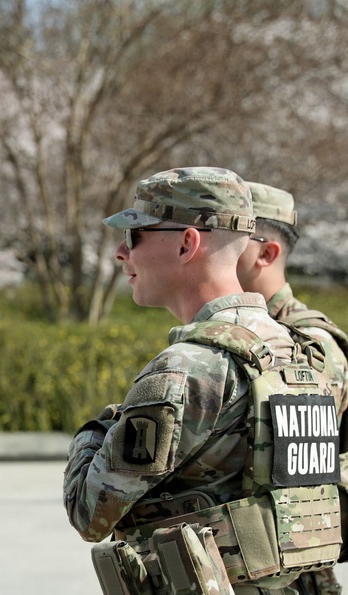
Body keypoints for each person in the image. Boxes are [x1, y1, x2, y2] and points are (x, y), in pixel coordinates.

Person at [63, 167, 341, 594]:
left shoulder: (189, 368)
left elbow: (89, 512)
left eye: (135, 235)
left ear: (186, 243)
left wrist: (96, 431)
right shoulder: (307, 355)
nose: (121, 252)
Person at [237, 181, 348, 595]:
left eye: (235, 239)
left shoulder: (308, 345)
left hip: (289, 576)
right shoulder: (242, 333)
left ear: (267, 252)